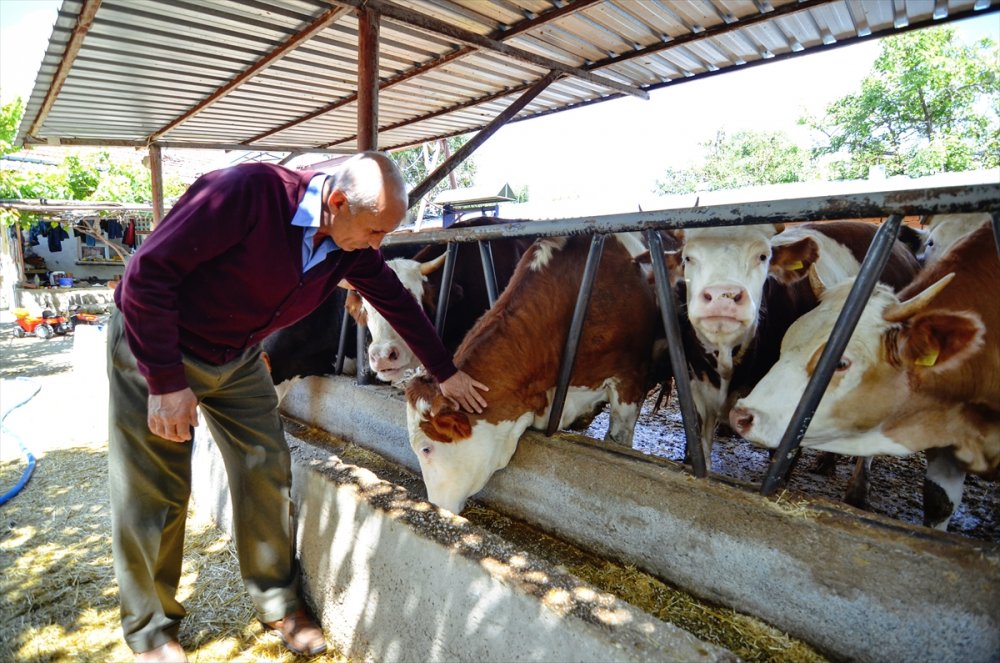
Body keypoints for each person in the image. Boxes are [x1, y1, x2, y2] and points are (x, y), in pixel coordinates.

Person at [108, 151, 488, 662]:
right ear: (335, 202)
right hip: (158, 347)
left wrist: (446, 371)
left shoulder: (347, 245)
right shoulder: (246, 193)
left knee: (265, 465)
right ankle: (152, 630)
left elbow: (396, 300)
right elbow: (146, 275)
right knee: (156, 488)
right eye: (375, 232)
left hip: (237, 354)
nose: (376, 246)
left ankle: (277, 602)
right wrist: (164, 381)